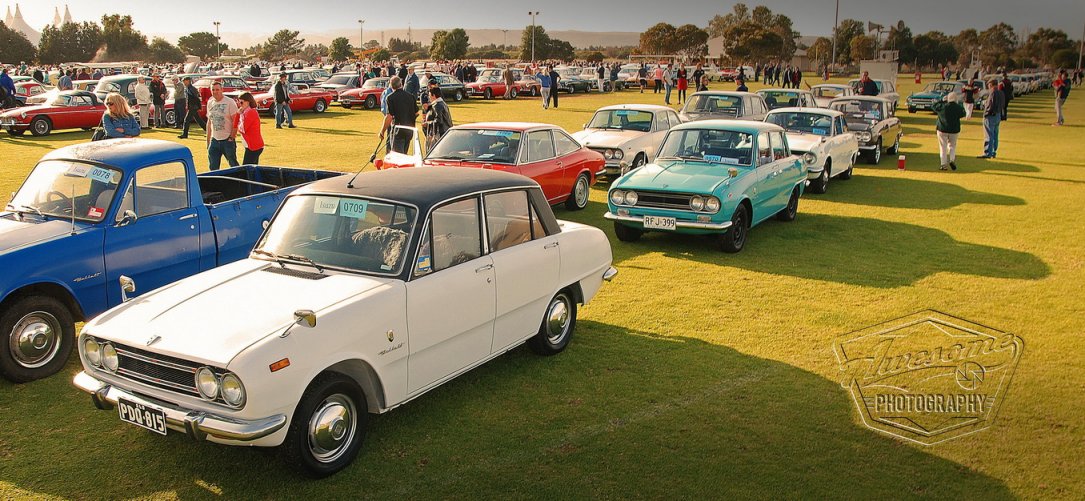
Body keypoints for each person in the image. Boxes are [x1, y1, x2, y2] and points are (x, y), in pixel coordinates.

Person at [205, 81, 240, 171]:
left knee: (233, 165)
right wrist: (208, 140)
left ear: (222, 90)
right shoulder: (210, 102)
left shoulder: (229, 102)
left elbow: (235, 121)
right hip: (215, 140)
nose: (215, 92)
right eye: (213, 90)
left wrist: (232, 137)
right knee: (213, 167)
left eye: (217, 89)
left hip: (227, 140)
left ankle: (239, 181)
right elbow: (209, 122)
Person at [380, 76, 418, 154]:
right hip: (409, 129)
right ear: (401, 84)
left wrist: (382, 131)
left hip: (398, 131)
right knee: (404, 154)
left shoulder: (390, 98)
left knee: (398, 157)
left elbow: (389, 116)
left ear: (391, 86)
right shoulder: (410, 97)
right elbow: (416, 113)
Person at [931, 92, 965, 171]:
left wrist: (942, 101)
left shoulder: (943, 107)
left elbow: (934, 106)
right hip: (954, 130)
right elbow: (963, 113)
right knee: (952, 146)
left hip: (942, 129)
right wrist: (959, 103)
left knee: (943, 147)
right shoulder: (958, 107)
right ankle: (952, 160)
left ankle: (943, 165)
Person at [234, 92, 264, 164]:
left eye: (241, 102)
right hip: (251, 146)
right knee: (252, 170)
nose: (239, 104)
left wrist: (238, 115)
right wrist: (238, 115)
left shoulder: (251, 112)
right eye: (238, 102)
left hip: (254, 147)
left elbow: (242, 129)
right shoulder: (244, 113)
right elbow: (236, 125)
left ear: (248, 102)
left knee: (246, 169)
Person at [979, 79, 1004, 159]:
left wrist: (986, 113)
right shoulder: (1001, 92)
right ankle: (993, 151)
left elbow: (991, 104)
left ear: (991, 85)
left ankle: (988, 152)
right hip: (998, 115)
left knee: (989, 134)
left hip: (991, 116)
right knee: (995, 134)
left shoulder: (992, 93)